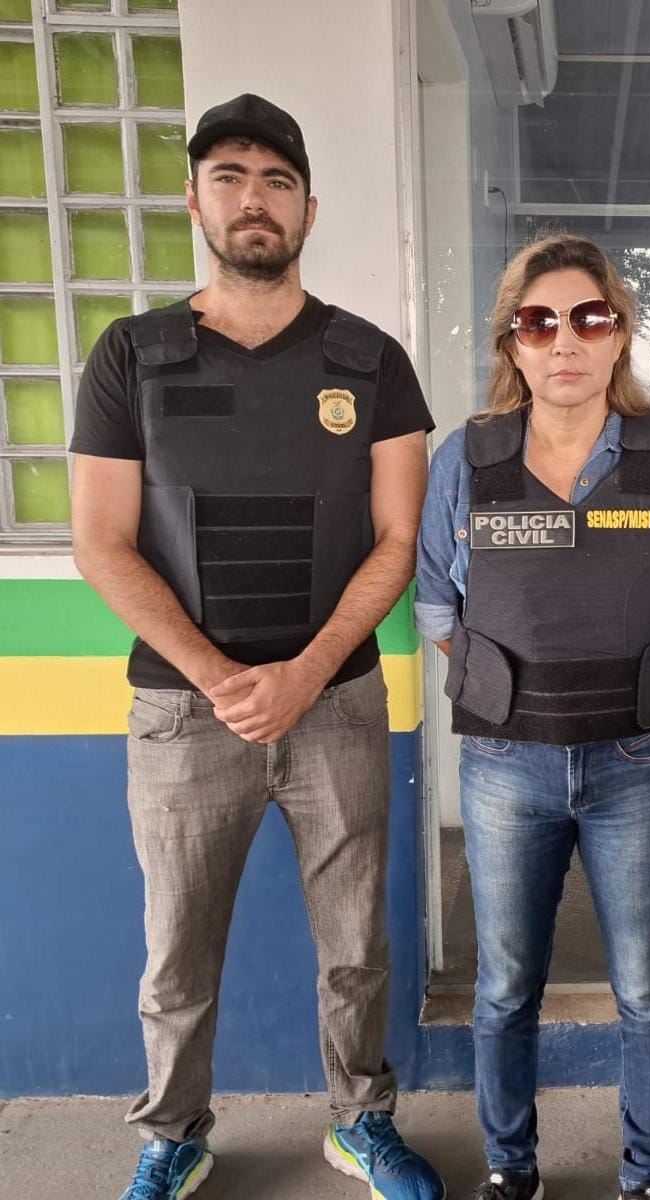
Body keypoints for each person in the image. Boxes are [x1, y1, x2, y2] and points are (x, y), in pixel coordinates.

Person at [70, 93, 444, 1200]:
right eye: (228, 178)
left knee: (356, 942)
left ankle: (360, 1122)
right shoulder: (131, 355)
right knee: (176, 951)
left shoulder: (370, 359)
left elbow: (399, 539)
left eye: (277, 182)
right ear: (194, 201)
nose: (253, 200)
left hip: (338, 704)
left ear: (308, 210)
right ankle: (173, 1133)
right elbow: (100, 543)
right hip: (184, 713)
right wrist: (224, 680)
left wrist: (305, 673)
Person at [415, 233, 650, 1200]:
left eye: (589, 318)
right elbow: (436, 608)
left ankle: (646, 1175)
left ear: (619, 336)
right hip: (505, 768)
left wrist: (644, 703)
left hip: (640, 766)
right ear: (512, 342)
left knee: (645, 991)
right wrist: (514, 702)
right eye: (539, 321)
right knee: (504, 987)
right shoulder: (465, 457)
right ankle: (511, 1169)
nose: (565, 339)